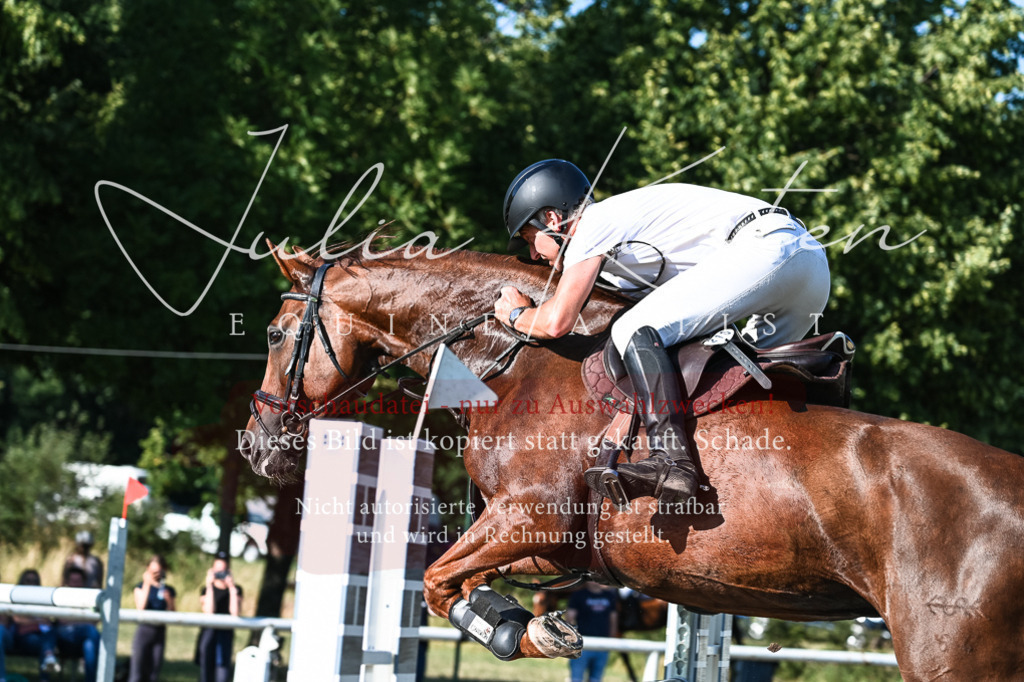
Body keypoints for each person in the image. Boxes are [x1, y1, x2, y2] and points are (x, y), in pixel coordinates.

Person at [496, 159, 830, 506]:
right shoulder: (622, 247)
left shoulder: (592, 224)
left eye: (530, 239)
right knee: (736, 381)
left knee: (633, 329)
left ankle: (671, 461)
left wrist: (516, 313)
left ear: (552, 219)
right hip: (809, 268)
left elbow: (556, 322)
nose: (534, 254)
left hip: (767, 250)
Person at [129, 555, 176, 682]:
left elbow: (173, 613)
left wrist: (168, 600)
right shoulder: (140, 587)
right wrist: (147, 583)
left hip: (160, 632)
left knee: (153, 674)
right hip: (144, 631)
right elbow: (141, 607)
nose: (156, 574)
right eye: (153, 571)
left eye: (158, 571)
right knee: (137, 673)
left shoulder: (168, 590)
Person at [197, 552, 242, 682]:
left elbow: (235, 613)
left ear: (229, 571)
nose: (220, 574)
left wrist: (232, 588)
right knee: (206, 673)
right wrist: (209, 585)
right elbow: (209, 612)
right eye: (217, 571)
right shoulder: (205, 590)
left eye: (223, 571)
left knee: (222, 674)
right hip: (209, 633)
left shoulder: (236, 589)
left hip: (226, 634)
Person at [9, 570, 61, 680]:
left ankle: (48, 658)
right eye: (28, 580)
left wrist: (31, 620)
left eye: (34, 581)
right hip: (24, 637)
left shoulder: (42, 599)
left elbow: (48, 621)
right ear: (22, 582)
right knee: (45, 645)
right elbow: (17, 619)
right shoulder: (16, 597)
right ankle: (47, 666)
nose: (31, 583)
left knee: (50, 635)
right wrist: (37, 622)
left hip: (43, 637)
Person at [565, 582, 619, 682]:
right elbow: (569, 618)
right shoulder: (578, 595)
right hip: (583, 644)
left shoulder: (609, 596)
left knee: (596, 679)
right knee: (576, 678)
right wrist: (572, 638)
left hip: (603, 644)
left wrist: (612, 639)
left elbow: (613, 619)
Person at [55, 567, 101, 682]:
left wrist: (73, 619)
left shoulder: (90, 598)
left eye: (78, 581)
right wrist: (84, 619)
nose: (75, 585)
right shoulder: (61, 596)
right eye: (73, 581)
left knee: (89, 645)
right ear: (67, 582)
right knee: (90, 630)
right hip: (64, 640)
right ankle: (108, 663)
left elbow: (96, 620)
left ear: (83, 582)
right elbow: (61, 620)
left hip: (83, 640)